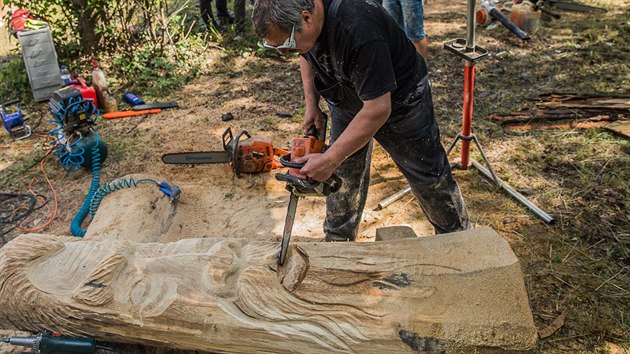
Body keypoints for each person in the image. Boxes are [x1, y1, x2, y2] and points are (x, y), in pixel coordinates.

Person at [252, 0, 471, 241]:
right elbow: (306, 53)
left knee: (428, 175)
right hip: (346, 95)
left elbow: (378, 108)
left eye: (288, 45)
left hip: (401, 102)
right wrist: (312, 105)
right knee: (344, 172)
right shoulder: (305, 23)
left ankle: (458, 239)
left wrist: (329, 159)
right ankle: (338, 240)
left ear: (306, 18)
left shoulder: (359, 28)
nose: (288, 52)